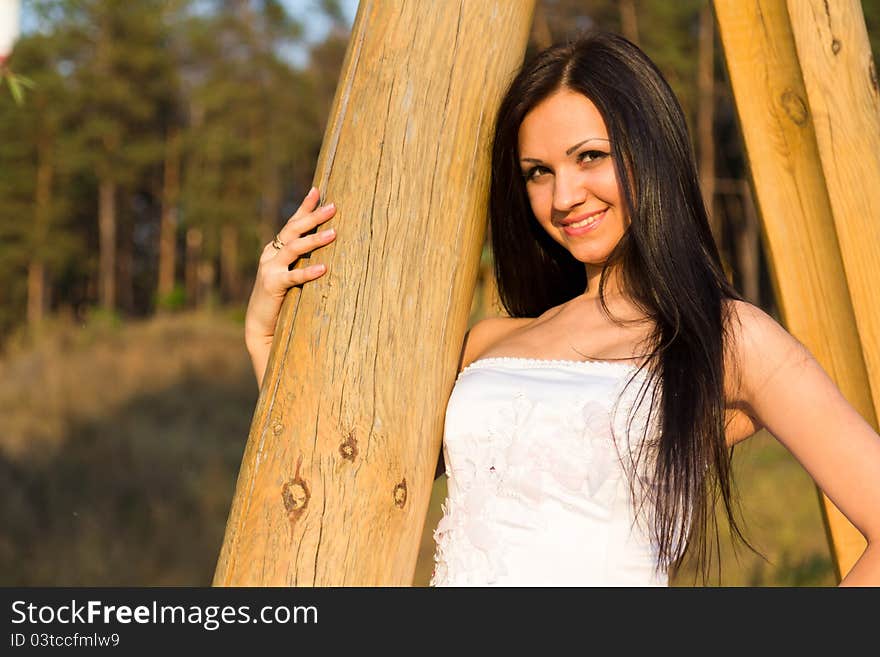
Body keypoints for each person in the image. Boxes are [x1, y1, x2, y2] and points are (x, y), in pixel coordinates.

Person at [244, 31, 880, 586]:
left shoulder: (729, 337)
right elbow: (346, 478)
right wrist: (264, 334)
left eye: (590, 158)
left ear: (649, 154)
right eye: (537, 172)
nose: (564, 196)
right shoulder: (485, 342)